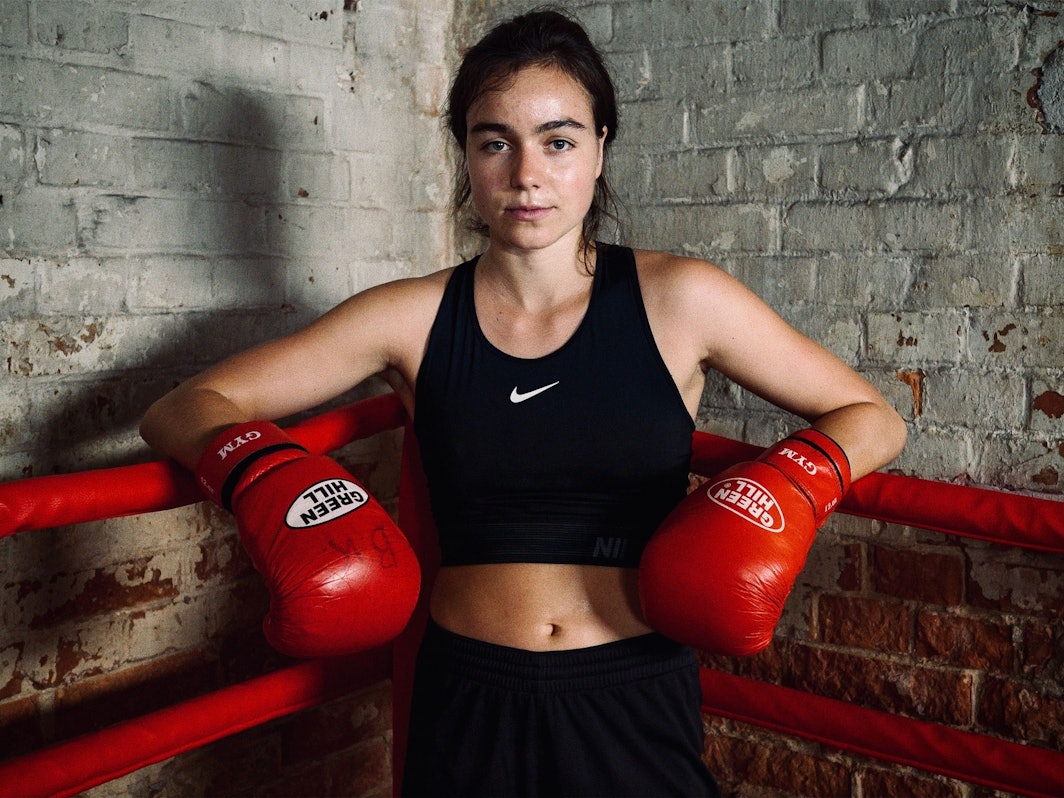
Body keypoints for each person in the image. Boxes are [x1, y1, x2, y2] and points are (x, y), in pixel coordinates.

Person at [140, 7, 907, 796]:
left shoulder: (682, 299)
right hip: (467, 698)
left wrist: (790, 483)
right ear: (467, 157)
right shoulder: (411, 316)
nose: (526, 174)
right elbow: (185, 406)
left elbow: (872, 416)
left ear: (601, 148)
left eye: (559, 140)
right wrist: (261, 472)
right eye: (494, 141)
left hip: (632, 695)